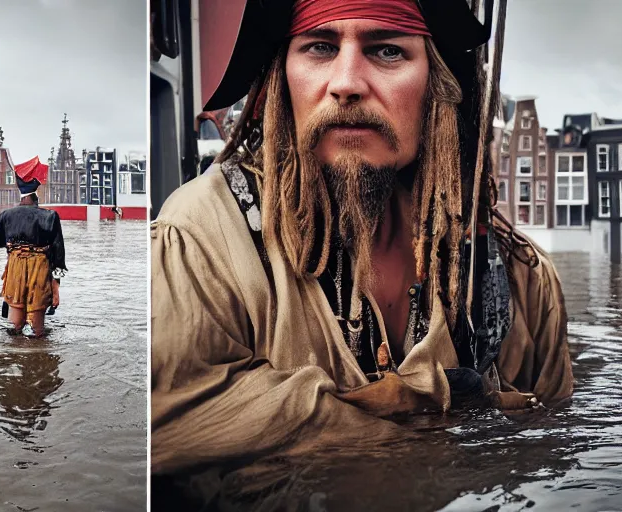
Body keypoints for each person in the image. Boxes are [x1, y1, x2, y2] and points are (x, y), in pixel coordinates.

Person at [151, 0, 573, 474]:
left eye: (388, 51)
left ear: (439, 87)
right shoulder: (204, 240)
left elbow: (550, 456)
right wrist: (434, 411)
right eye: (319, 47)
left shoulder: (518, 281)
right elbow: (166, 426)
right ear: (281, 77)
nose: (347, 83)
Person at [0, 156, 67, 337]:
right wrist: (56, 285)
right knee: (36, 328)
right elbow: (58, 253)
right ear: (36, 191)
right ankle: (37, 357)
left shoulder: (6, 215)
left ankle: (13, 355)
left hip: (15, 269)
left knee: (14, 325)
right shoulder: (50, 216)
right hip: (39, 268)